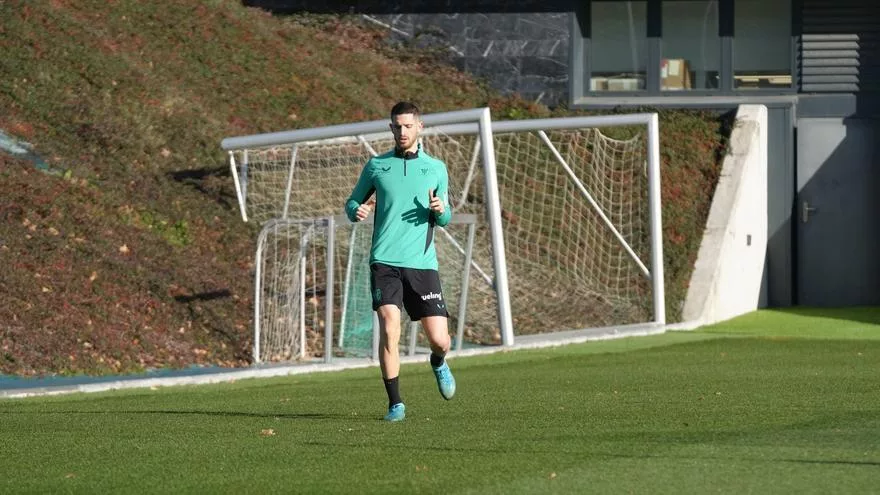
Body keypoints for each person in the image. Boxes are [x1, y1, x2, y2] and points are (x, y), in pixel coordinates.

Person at [344, 101, 456, 422]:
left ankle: (438, 362)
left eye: (408, 125)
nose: (402, 131)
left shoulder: (436, 168)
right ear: (391, 128)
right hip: (384, 263)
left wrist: (439, 210)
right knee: (390, 327)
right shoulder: (377, 166)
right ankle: (395, 403)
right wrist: (357, 211)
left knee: (439, 339)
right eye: (397, 126)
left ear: (420, 127)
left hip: (421, 264)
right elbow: (353, 201)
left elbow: (446, 217)